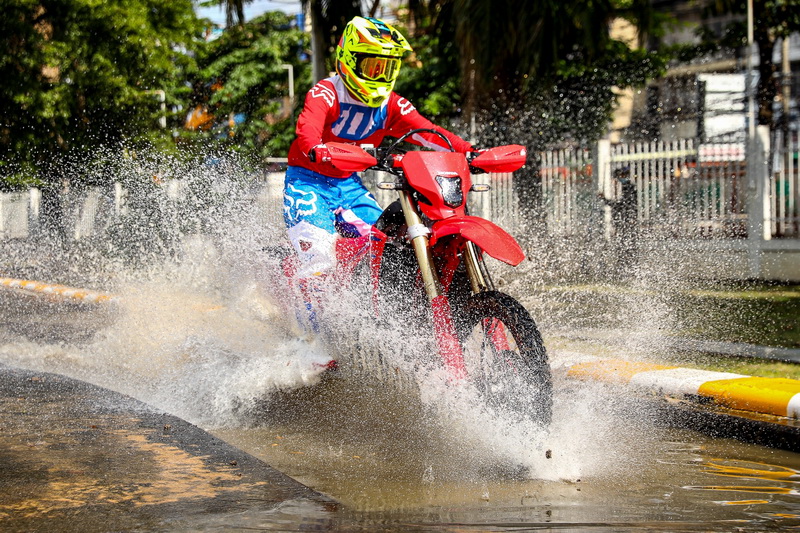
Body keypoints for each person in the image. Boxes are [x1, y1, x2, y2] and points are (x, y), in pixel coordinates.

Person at [283, 16, 474, 323]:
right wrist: (316, 148)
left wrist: (468, 151)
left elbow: (426, 132)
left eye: (385, 67)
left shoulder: (392, 103)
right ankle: (313, 343)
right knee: (318, 259)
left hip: (348, 184)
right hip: (307, 182)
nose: (379, 75)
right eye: (372, 66)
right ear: (348, 59)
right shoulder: (326, 92)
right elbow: (307, 129)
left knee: (385, 246)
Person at [598, 166, 639, 276]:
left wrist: (605, 200)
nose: (618, 179)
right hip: (624, 221)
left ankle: (628, 269)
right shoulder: (627, 187)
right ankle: (625, 268)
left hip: (627, 221)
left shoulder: (629, 188)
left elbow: (622, 206)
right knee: (624, 245)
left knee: (627, 246)